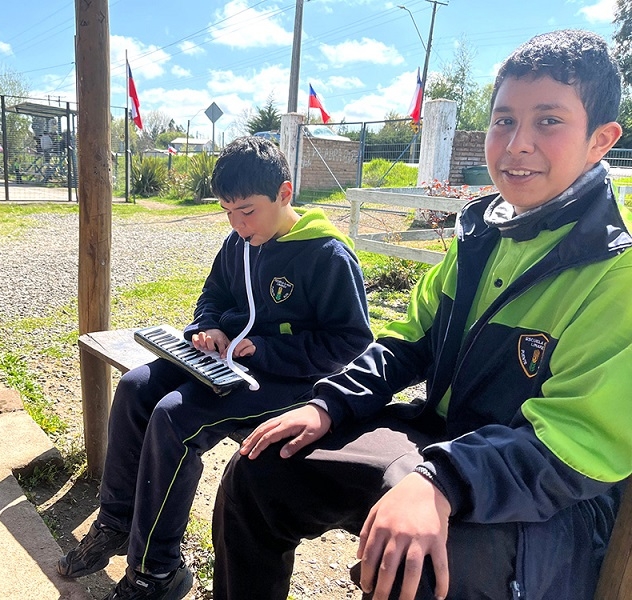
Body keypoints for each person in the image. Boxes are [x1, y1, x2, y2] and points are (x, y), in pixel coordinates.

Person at [212, 30, 632, 600]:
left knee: (418, 567)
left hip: (548, 501)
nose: (517, 144)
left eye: (548, 121)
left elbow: (574, 444)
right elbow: (407, 342)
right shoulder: (481, 235)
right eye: (504, 120)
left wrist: (440, 479)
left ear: (600, 140)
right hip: (444, 442)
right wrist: (326, 404)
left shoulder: (615, 275)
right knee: (259, 470)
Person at [57, 136, 373, 600]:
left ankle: (157, 571)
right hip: (226, 363)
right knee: (135, 387)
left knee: (175, 418)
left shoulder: (326, 255)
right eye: (227, 211)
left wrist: (262, 351)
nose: (238, 224)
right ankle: (116, 522)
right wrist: (206, 330)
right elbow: (212, 298)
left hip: (288, 383)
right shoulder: (238, 244)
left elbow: (351, 344)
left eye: (247, 210)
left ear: (285, 193)